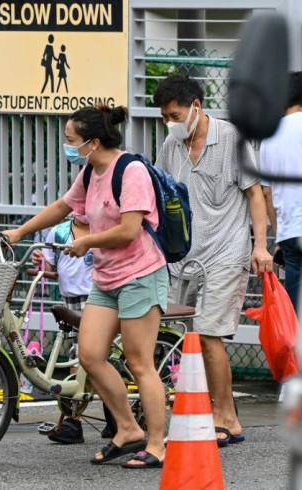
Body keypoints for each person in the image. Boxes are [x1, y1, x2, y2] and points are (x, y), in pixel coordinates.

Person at [4, 105, 168, 469]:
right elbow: (64, 207)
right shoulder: (90, 172)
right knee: (91, 356)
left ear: (93, 142)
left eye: (71, 140)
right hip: (107, 279)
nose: (67, 145)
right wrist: (18, 232)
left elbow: (129, 230)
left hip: (140, 276)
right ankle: (127, 429)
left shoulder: (132, 171)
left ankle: (157, 444)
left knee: (140, 363)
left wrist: (87, 242)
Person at [153, 74, 273, 446]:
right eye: (164, 117)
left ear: (196, 108)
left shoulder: (231, 139)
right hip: (183, 258)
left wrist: (260, 245)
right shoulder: (170, 148)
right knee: (176, 336)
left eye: (174, 115)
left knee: (209, 335)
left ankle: (227, 418)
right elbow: (159, 197)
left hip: (226, 251)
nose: (169, 123)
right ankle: (196, 410)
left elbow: (254, 194)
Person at [32, 219, 96, 444]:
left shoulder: (104, 228)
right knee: (77, 361)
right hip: (70, 301)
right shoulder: (58, 232)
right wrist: (40, 261)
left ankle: (73, 420)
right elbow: (49, 267)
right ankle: (74, 418)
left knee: (82, 359)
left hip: (97, 299)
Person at [260, 71, 302, 312]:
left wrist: (280, 237)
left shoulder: (269, 136)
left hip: (290, 234)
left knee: (296, 313)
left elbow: (267, 193)